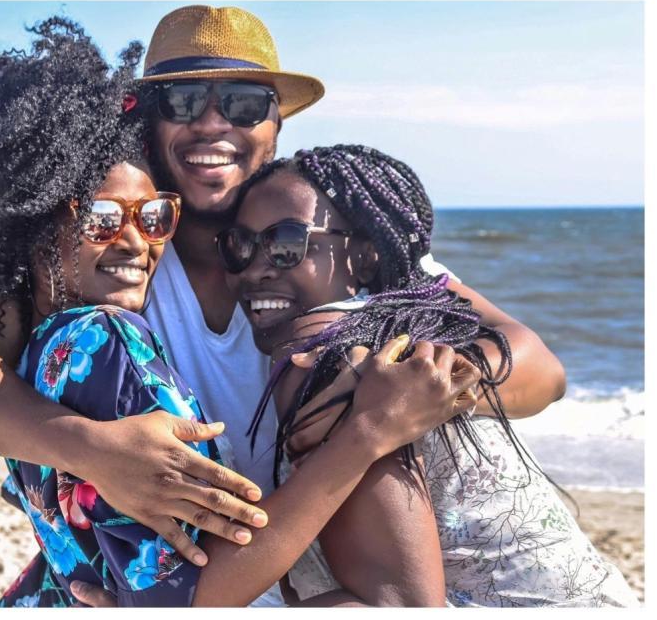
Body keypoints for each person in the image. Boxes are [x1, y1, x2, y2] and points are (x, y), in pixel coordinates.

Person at [0, 4, 566, 592]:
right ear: (145, 118)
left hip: (336, 573)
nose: (213, 124)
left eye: (245, 104)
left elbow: (537, 366)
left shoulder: (328, 245)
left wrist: (398, 391)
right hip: (225, 577)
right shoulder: (120, 251)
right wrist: (93, 450)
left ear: (276, 125)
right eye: (184, 101)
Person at [220, 144, 638, 607]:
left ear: (366, 255)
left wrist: (426, 387)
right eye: (239, 246)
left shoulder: (325, 357)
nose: (255, 268)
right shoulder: (413, 320)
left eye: (285, 244)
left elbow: (403, 607)